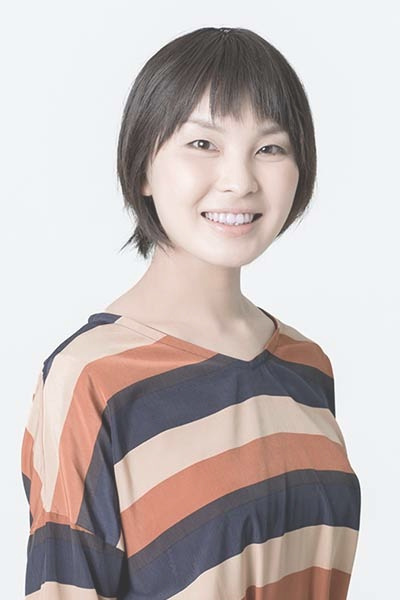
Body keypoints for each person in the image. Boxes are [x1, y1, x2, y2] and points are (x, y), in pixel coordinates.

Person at [21, 26, 361, 599]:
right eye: (203, 144)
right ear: (143, 167)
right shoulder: (93, 379)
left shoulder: (306, 366)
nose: (240, 181)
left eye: (270, 148)